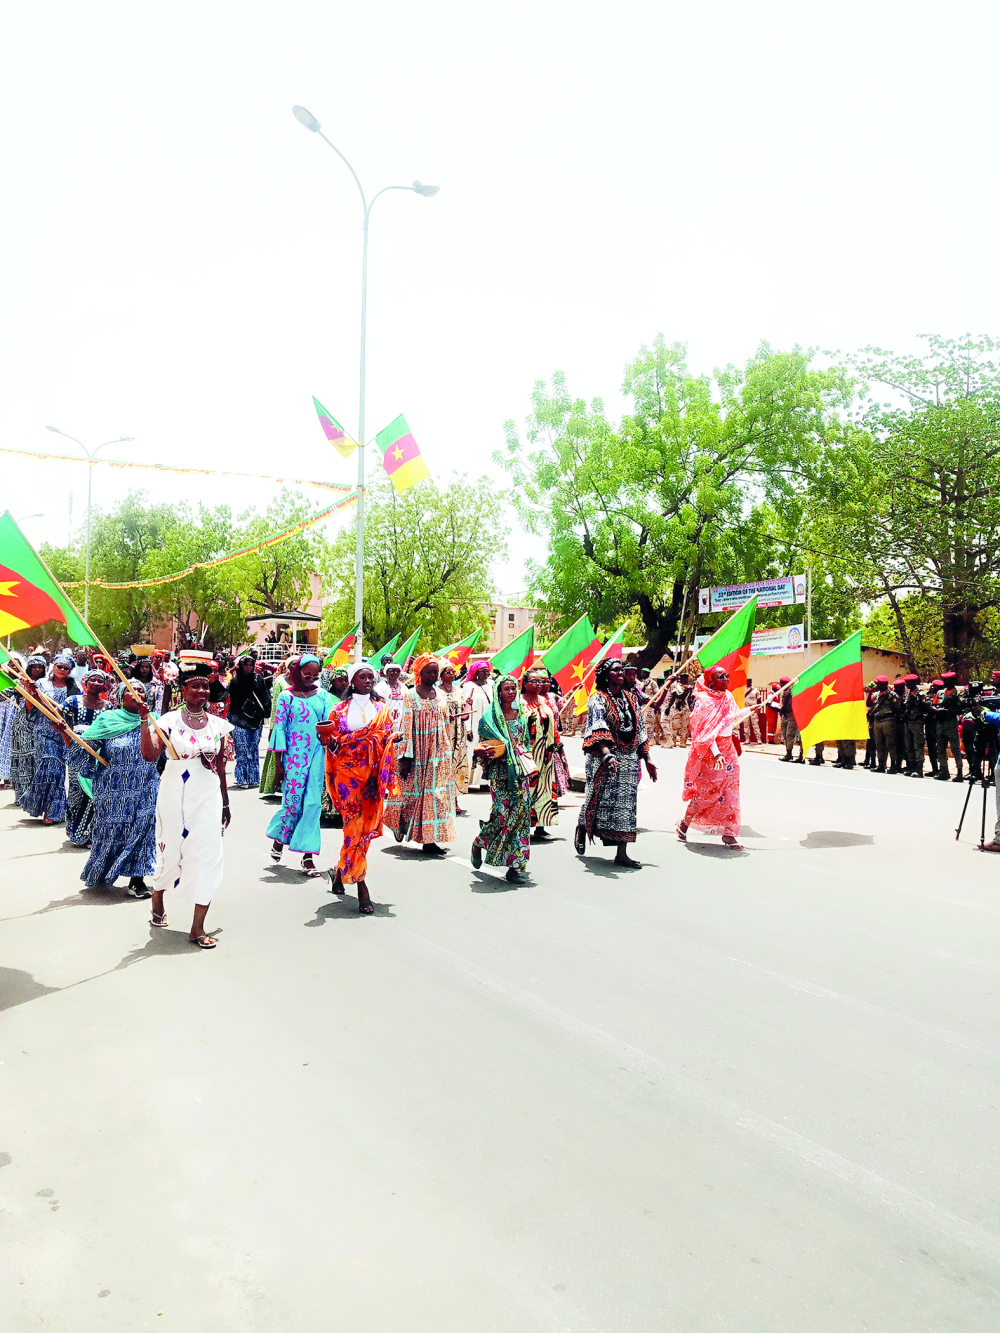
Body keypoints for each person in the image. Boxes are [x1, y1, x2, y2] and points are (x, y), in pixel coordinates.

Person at [136, 659, 232, 946]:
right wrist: (144, 721)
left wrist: (226, 803)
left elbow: (220, 766)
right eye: (195, 686)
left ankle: (198, 927)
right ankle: (158, 898)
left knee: (208, 853)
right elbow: (150, 755)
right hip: (175, 792)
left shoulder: (218, 725)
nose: (202, 691)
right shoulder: (166, 721)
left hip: (208, 794)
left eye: (205, 686)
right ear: (183, 690)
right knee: (171, 850)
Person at [322, 662, 400, 913]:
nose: (367, 680)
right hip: (347, 776)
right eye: (362, 677)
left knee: (366, 828)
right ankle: (361, 884)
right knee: (353, 826)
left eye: (370, 677)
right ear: (352, 681)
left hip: (373, 776)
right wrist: (326, 740)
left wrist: (391, 739)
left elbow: (387, 739)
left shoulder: (382, 709)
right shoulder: (338, 710)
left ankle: (339, 870)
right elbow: (332, 745)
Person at [574, 658, 657, 867]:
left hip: (628, 758)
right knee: (596, 797)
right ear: (605, 674)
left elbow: (640, 729)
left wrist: (647, 758)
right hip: (603, 758)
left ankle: (622, 853)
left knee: (626, 805)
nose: (621, 673)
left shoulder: (630, 698)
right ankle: (582, 826)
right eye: (616, 670)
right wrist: (607, 754)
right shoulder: (597, 699)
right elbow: (597, 725)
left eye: (622, 670)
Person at [79, 681, 159, 896]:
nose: (138, 693)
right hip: (113, 789)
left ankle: (137, 880)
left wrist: (145, 719)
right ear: (121, 697)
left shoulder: (156, 720)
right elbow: (86, 749)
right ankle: (101, 872)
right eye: (132, 691)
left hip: (147, 784)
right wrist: (66, 735)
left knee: (144, 828)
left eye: (141, 690)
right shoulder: (108, 719)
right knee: (111, 833)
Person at [266, 654, 334, 875]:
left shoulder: (323, 695)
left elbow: (329, 724)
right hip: (293, 758)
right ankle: (280, 837)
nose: (311, 678)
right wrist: (278, 765)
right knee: (292, 803)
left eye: (316, 675)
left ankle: (307, 857)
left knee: (313, 803)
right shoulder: (286, 697)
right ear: (297, 673)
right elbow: (279, 729)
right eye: (307, 674)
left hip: (316, 755)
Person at [384, 654, 456, 855]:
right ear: (419, 673)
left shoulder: (441, 695)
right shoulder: (411, 695)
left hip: (438, 752)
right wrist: (406, 756)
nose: (433, 675)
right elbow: (406, 726)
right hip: (417, 752)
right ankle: (399, 825)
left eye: (435, 671)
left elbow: (443, 722)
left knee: (435, 795)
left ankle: (429, 839)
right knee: (410, 795)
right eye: (429, 672)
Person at [472, 674, 537, 883]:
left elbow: (526, 743)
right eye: (506, 688)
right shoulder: (489, 719)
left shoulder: (522, 716)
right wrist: (482, 753)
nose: (510, 692)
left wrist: (525, 756)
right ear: (498, 692)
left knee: (520, 818)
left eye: (513, 688)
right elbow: (482, 746)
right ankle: (480, 841)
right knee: (501, 814)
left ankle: (515, 865)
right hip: (501, 774)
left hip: (520, 773)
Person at [677, 665, 745, 850]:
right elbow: (703, 733)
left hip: (729, 751)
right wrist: (716, 754)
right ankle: (684, 823)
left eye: (727, 676)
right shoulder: (703, 701)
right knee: (708, 792)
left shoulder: (728, 697)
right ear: (711, 681)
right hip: (711, 752)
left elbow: (731, 720)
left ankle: (730, 834)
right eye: (721, 676)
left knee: (731, 791)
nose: (726, 679)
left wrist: (750, 710)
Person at [20, 652, 76, 824]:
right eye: (60, 666)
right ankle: (41, 806)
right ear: (54, 666)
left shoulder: (73, 689)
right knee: (49, 766)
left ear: (69, 671)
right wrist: (30, 691)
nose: (62, 670)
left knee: (58, 772)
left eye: (66, 668)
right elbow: (30, 709)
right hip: (43, 731)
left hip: (62, 733)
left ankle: (53, 811)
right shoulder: (40, 684)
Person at [62, 668, 109, 846]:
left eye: (100, 681)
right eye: (93, 680)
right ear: (86, 682)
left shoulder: (108, 707)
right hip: (76, 753)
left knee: (92, 793)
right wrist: (69, 744)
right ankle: (74, 826)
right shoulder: (72, 701)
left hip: (97, 755)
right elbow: (61, 725)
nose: (96, 683)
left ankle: (86, 833)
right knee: (76, 792)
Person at [520, 665, 567, 838]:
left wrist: (557, 744)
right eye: (534, 681)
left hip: (546, 752)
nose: (538, 684)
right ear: (525, 683)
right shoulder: (519, 702)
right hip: (527, 752)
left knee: (545, 788)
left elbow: (553, 725)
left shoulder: (544, 700)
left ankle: (541, 826)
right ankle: (523, 825)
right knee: (527, 788)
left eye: (540, 681)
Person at [226, 651, 272, 789]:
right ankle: (242, 778)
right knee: (241, 750)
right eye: (246, 665)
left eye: (251, 665)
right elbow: (232, 701)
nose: (248, 667)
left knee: (253, 750)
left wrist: (265, 712)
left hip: (256, 720)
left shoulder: (258, 679)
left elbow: (265, 697)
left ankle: (253, 777)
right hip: (239, 720)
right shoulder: (235, 682)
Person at [6, 654, 47, 805]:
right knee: (23, 759)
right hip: (22, 724)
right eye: (34, 666)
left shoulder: (46, 685)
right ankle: (22, 796)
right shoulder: (18, 682)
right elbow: (4, 693)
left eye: (40, 667)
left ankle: (37, 797)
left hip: (42, 723)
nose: (37, 669)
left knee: (38, 759)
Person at [437, 661, 470, 815]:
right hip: (443, 734)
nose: (452, 674)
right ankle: (442, 801)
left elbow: (464, 715)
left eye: (452, 671)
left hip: (459, 734)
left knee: (457, 765)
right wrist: (444, 718)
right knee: (444, 766)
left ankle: (455, 800)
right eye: (448, 672)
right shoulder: (437, 692)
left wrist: (468, 706)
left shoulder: (460, 691)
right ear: (441, 675)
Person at [258, 659, 291, 797]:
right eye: (293, 665)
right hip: (281, 724)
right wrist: (273, 727)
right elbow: (275, 708)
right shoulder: (280, 682)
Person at [463, 660, 494, 789]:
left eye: (487, 670)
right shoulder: (469, 686)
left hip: (490, 723)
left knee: (488, 750)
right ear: (476, 672)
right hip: (474, 722)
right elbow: (466, 707)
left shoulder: (492, 684)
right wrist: (468, 729)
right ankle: (469, 782)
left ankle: (485, 782)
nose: (486, 673)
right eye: (483, 671)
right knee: (472, 751)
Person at [933, 671, 965, 782]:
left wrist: (948, 711)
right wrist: (937, 710)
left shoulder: (958, 694)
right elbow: (933, 705)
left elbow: (960, 710)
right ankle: (944, 771)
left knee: (955, 749)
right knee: (940, 748)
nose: (945, 682)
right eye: (944, 680)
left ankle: (960, 772)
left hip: (951, 723)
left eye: (947, 680)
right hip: (940, 724)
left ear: (952, 681)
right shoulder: (940, 693)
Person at [870, 675, 901, 773]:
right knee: (879, 744)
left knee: (890, 744)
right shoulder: (875, 695)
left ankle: (893, 765)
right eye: (878, 683)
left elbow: (897, 708)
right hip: (877, 721)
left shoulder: (892, 695)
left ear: (886, 684)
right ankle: (881, 765)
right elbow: (871, 705)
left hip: (888, 720)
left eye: (881, 684)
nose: (879, 685)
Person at [902, 674, 926, 778]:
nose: (907, 684)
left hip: (917, 723)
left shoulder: (920, 694)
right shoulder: (907, 694)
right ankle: (911, 767)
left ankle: (919, 769)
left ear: (914, 683)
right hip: (908, 723)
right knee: (909, 746)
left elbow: (925, 707)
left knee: (918, 746)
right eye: (906, 682)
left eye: (908, 682)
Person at [777, 678, 804, 763]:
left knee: (790, 734)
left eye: (782, 684)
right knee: (785, 734)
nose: (781, 686)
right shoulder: (784, 692)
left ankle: (789, 754)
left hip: (792, 714)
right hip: (785, 714)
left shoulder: (792, 691)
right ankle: (788, 753)